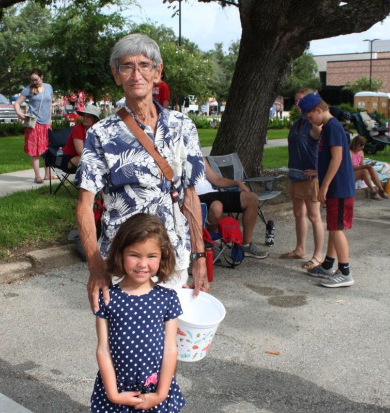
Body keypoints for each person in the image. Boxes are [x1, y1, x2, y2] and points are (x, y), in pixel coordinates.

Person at [75, 33, 208, 314]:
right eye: (127, 66)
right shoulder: (101, 134)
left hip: (173, 256)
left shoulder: (183, 126)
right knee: (126, 347)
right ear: (116, 75)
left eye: (144, 65)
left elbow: (191, 196)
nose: (137, 74)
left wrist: (198, 256)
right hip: (123, 260)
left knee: (170, 343)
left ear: (157, 72)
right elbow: (85, 204)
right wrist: (95, 265)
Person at [91, 213, 185, 412]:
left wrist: (161, 394)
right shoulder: (108, 298)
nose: (143, 264)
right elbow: (103, 349)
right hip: (117, 391)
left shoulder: (167, 299)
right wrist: (113, 394)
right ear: (121, 254)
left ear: (162, 257)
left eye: (151, 256)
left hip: (155, 390)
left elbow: (170, 349)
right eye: (134, 255)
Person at [299, 93, 356, 288]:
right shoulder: (328, 128)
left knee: (337, 228)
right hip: (336, 186)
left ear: (318, 110)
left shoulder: (332, 127)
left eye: (310, 117)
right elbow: (330, 159)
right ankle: (328, 265)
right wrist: (318, 172)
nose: (310, 121)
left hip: (339, 187)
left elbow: (337, 158)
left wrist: (324, 185)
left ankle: (345, 272)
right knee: (333, 226)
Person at [278, 88, 324, 271]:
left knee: (314, 216)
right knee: (298, 214)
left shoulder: (313, 123)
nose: (298, 104)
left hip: (309, 177)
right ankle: (300, 249)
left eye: (302, 101)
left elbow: (322, 139)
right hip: (295, 175)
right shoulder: (298, 123)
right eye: (296, 101)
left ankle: (318, 256)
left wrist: (319, 170)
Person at [196, 158, 268, 259]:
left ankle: (246, 245)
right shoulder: (175, 157)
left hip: (212, 193)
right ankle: (208, 245)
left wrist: (237, 183)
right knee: (217, 207)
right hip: (194, 196)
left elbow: (217, 180)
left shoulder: (199, 156)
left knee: (251, 198)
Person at [14, 68, 54, 184]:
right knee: (34, 150)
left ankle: (48, 174)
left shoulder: (49, 87)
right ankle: (37, 176)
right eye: (32, 80)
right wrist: (19, 113)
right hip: (34, 124)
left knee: (47, 150)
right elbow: (17, 103)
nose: (34, 82)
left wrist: (50, 120)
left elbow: (49, 104)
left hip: (46, 124)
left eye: (36, 79)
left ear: (41, 77)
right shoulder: (28, 89)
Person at [59, 104, 100, 171]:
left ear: (95, 119)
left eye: (88, 117)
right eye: (84, 116)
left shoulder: (96, 130)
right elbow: (80, 152)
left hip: (86, 158)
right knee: (89, 161)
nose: (85, 118)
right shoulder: (78, 129)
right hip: (68, 159)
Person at [349, 135, 389, 201]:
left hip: (356, 171)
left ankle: (381, 190)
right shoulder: (349, 152)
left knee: (370, 169)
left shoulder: (361, 152)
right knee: (365, 171)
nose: (362, 147)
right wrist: (365, 167)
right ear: (355, 144)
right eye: (361, 145)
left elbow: (361, 165)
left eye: (363, 145)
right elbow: (350, 168)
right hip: (350, 173)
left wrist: (368, 166)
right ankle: (373, 191)